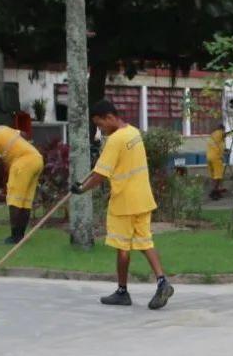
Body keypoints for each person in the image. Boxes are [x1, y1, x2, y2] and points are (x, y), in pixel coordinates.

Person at [72, 98, 173, 310]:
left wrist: (80, 189)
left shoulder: (116, 140)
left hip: (124, 201)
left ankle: (122, 291)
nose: (100, 129)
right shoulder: (133, 132)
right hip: (143, 198)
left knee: (122, 246)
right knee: (145, 242)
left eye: (100, 124)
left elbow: (100, 174)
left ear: (110, 117)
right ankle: (162, 281)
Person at [0, 124, 44, 244]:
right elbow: (24, 135)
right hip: (37, 159)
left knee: (14, 200)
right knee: (24, 201)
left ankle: (14, 237)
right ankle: (20, 236)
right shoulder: (1, 129)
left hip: (22, 163)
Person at [206, 124, 227, 200]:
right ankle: (214, 193)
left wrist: (223, 150)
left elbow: (217, 145)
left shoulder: (212, 135)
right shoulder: (220, 132)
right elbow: (225, 134)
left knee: (214, 176)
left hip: (209, 157)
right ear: (222, 129)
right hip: (216, 158)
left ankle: (217, 190)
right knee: (218, 176)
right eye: (224, 130)